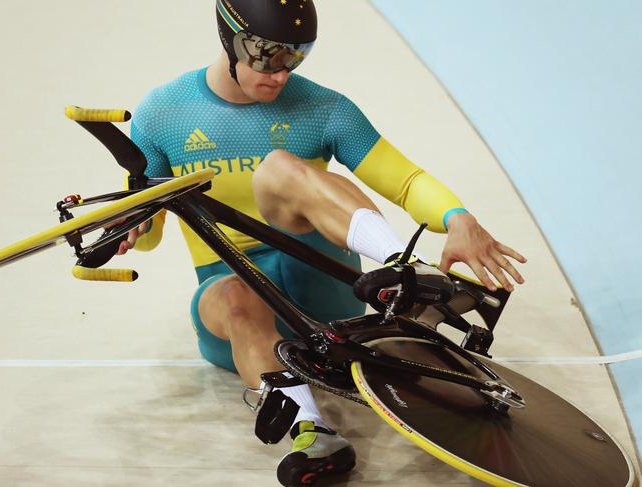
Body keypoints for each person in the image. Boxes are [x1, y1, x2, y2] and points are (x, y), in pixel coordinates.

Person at [118, 0, 526, 485]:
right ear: (230, 39)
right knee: (235, 292)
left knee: (280, 168)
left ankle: (403, 272)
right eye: (267, 56)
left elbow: (404, 179)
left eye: (296, 58)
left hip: (323, 279)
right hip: (233, 299)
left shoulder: (323, 107)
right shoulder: (162, 114)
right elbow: (145, 240)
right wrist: (133, 223)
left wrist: (457, 218)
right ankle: (316, 432)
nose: (280, 74)